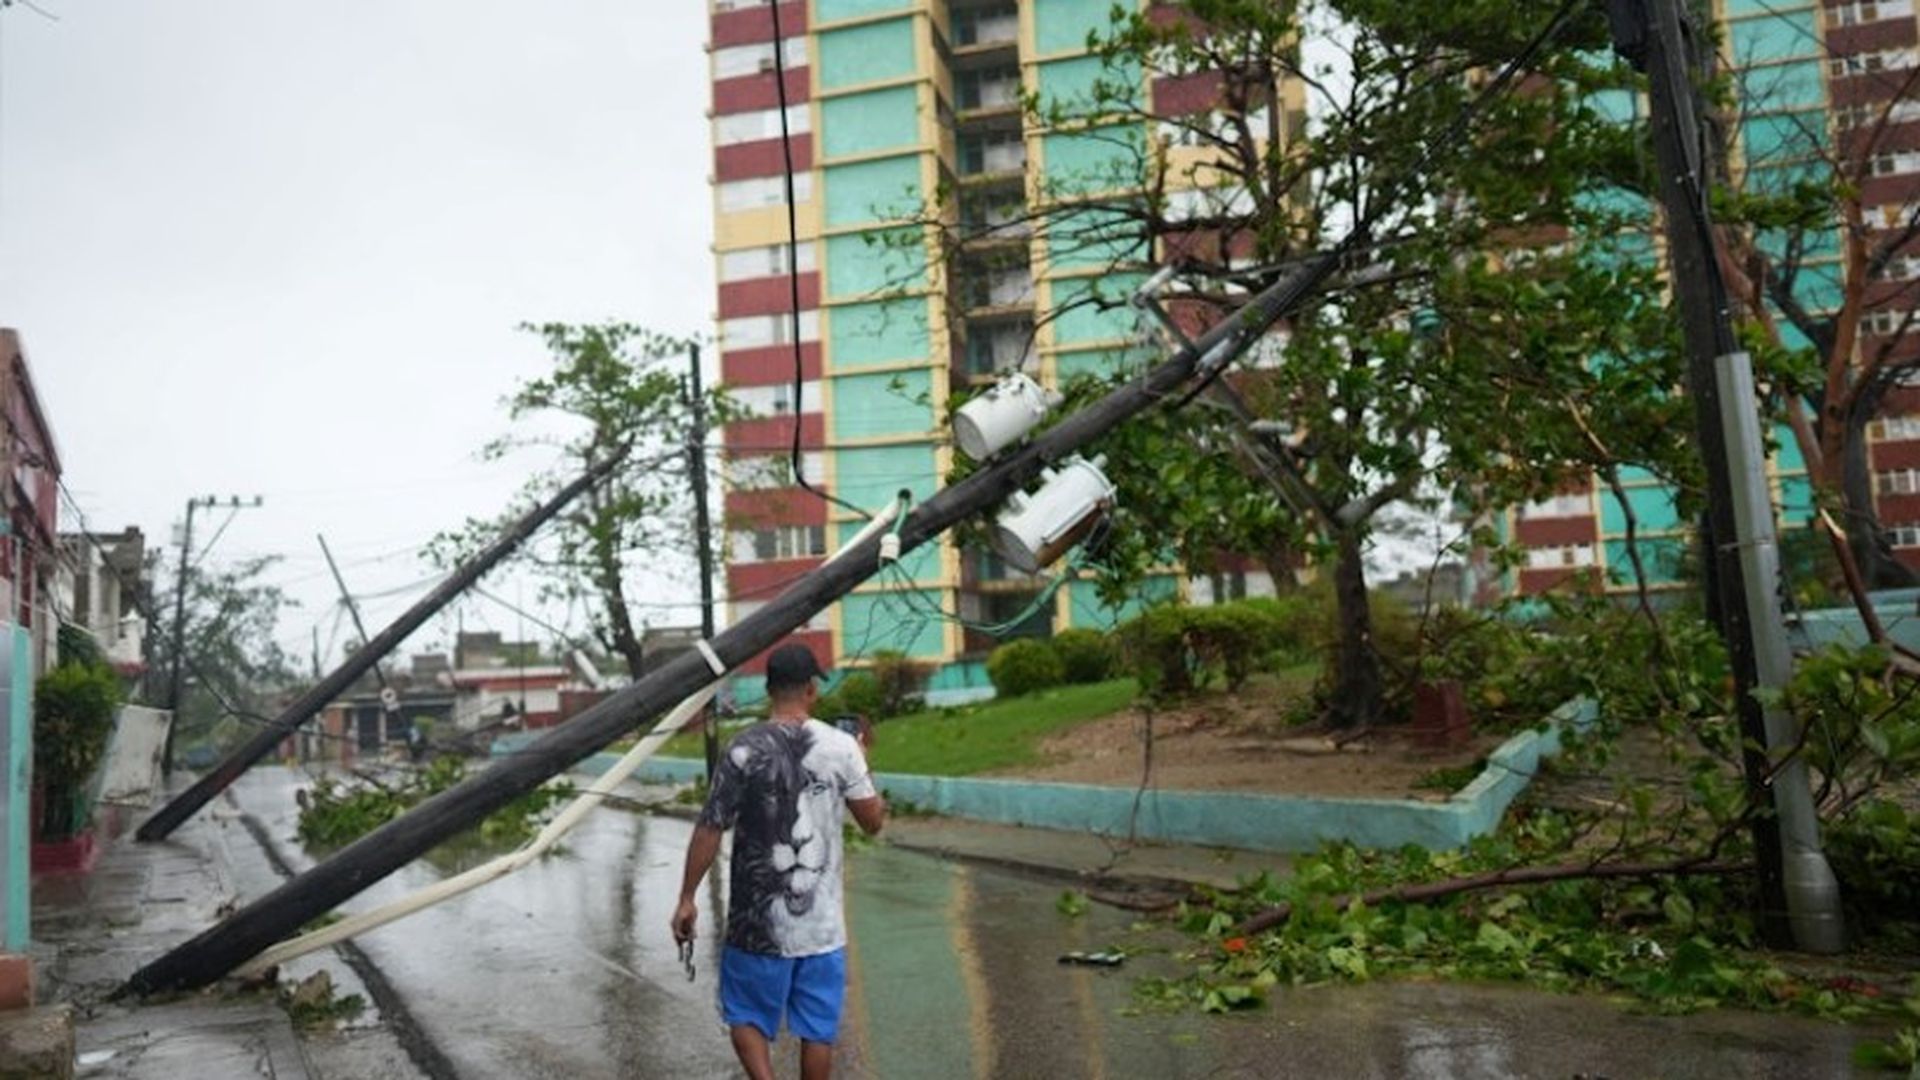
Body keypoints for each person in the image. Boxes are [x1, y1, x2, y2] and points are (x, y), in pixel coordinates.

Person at [672, 642, 886, 1080]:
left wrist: (687, 897)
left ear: (770, 690)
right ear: (811, 689)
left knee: (746, 1016)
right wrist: (864, 764)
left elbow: (711, 826)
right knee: (817, 1032)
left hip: (756, 927)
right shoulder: (842, 746)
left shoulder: (741, 749)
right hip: (823, 929)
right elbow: (873, 822)